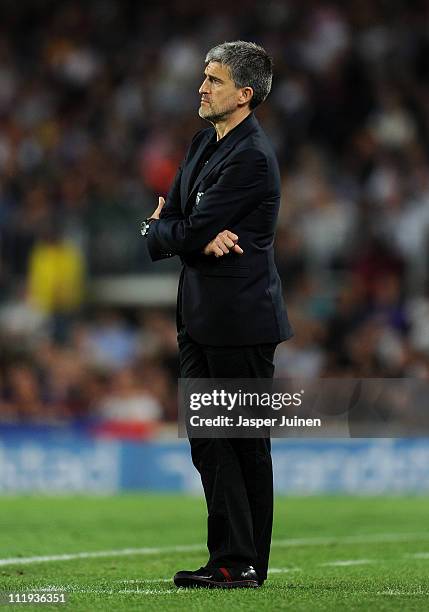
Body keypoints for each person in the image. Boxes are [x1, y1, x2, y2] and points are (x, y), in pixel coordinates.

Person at [142, 40, 293, 589]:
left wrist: (177, 231)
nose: (202, 87)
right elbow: (175, 222)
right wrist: (178, 233)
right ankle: (228, 557)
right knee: (208, 440)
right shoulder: (205, 142)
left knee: (243, 441)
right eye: (204, 76)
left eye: (214, 80)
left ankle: (243, 562)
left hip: (241, 321)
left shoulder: (252, 156)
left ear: (244, 94)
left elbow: (180, 226)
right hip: (200, 316)